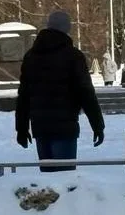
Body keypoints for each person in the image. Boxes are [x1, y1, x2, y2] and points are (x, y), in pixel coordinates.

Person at [16, 11, 105, 172]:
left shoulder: (31, 57)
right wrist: (97, 125)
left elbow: (24, 96)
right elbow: (86, 93)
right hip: (65, 126)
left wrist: (21, 128)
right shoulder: (73, 56)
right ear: (66, 28)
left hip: (40, 127)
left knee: (48, 180)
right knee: (65, 178)